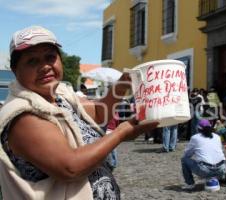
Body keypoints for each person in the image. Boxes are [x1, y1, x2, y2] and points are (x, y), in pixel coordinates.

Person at [0, 25, 159, 199]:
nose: (45, 66)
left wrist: (123, 84)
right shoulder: (24, 116)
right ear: (15, 70)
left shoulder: (61, 95)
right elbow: (71, 168)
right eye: (32, 61)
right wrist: (122, 132)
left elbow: (99, 113)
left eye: (50, 57)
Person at [181, 119, 226, 192]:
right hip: (221, 169)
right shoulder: (217, 136)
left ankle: (190, 184)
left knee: (184, 160)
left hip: (205, 170)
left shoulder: (195, 138)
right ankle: (216, 178)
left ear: (198, 128)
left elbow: (187, 154)